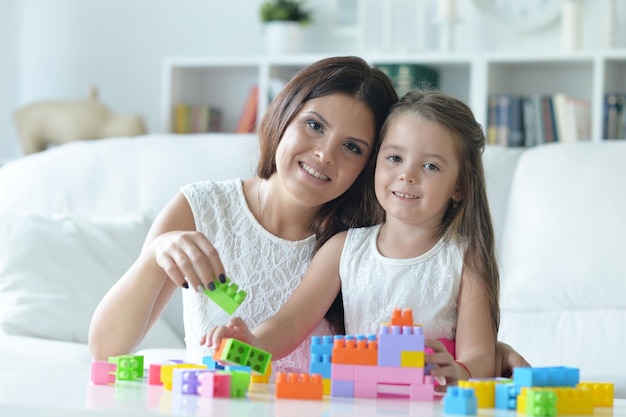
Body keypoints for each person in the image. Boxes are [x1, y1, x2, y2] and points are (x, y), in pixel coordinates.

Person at [88, 56, 529, 376]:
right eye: (314, 125)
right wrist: (157, 254)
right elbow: (106, 349)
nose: (324, 153)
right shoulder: (203, 209)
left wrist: (483, 356)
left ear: (367, 164)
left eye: (353, 147)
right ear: (284, 114)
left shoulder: (355, 235)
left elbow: (414, 303)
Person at [206, 89, 503, 384]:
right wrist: (252, 342)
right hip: (356, 401)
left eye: (430, 166)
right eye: (395, 158)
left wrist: (460, 372)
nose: (407, 175)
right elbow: (290, 323)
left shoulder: (464, 258)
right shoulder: (343, 248)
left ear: (460, 186)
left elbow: (479, 354)